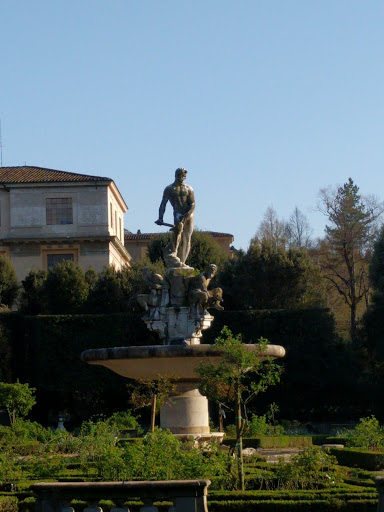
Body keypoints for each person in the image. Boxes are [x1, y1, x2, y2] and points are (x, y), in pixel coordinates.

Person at [155, 168, 195, 265]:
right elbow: (163, 204)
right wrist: (160, 217)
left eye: (183, 176)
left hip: (189, 214)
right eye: (180, 176)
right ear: (176, 176)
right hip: (178, 213)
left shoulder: (189, 189)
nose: (182, 178)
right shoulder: (169, 189)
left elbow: (193, 204)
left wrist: (188, 213)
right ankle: (174, 252)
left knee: (187, 238)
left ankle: (183, 262)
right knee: (177, 232)